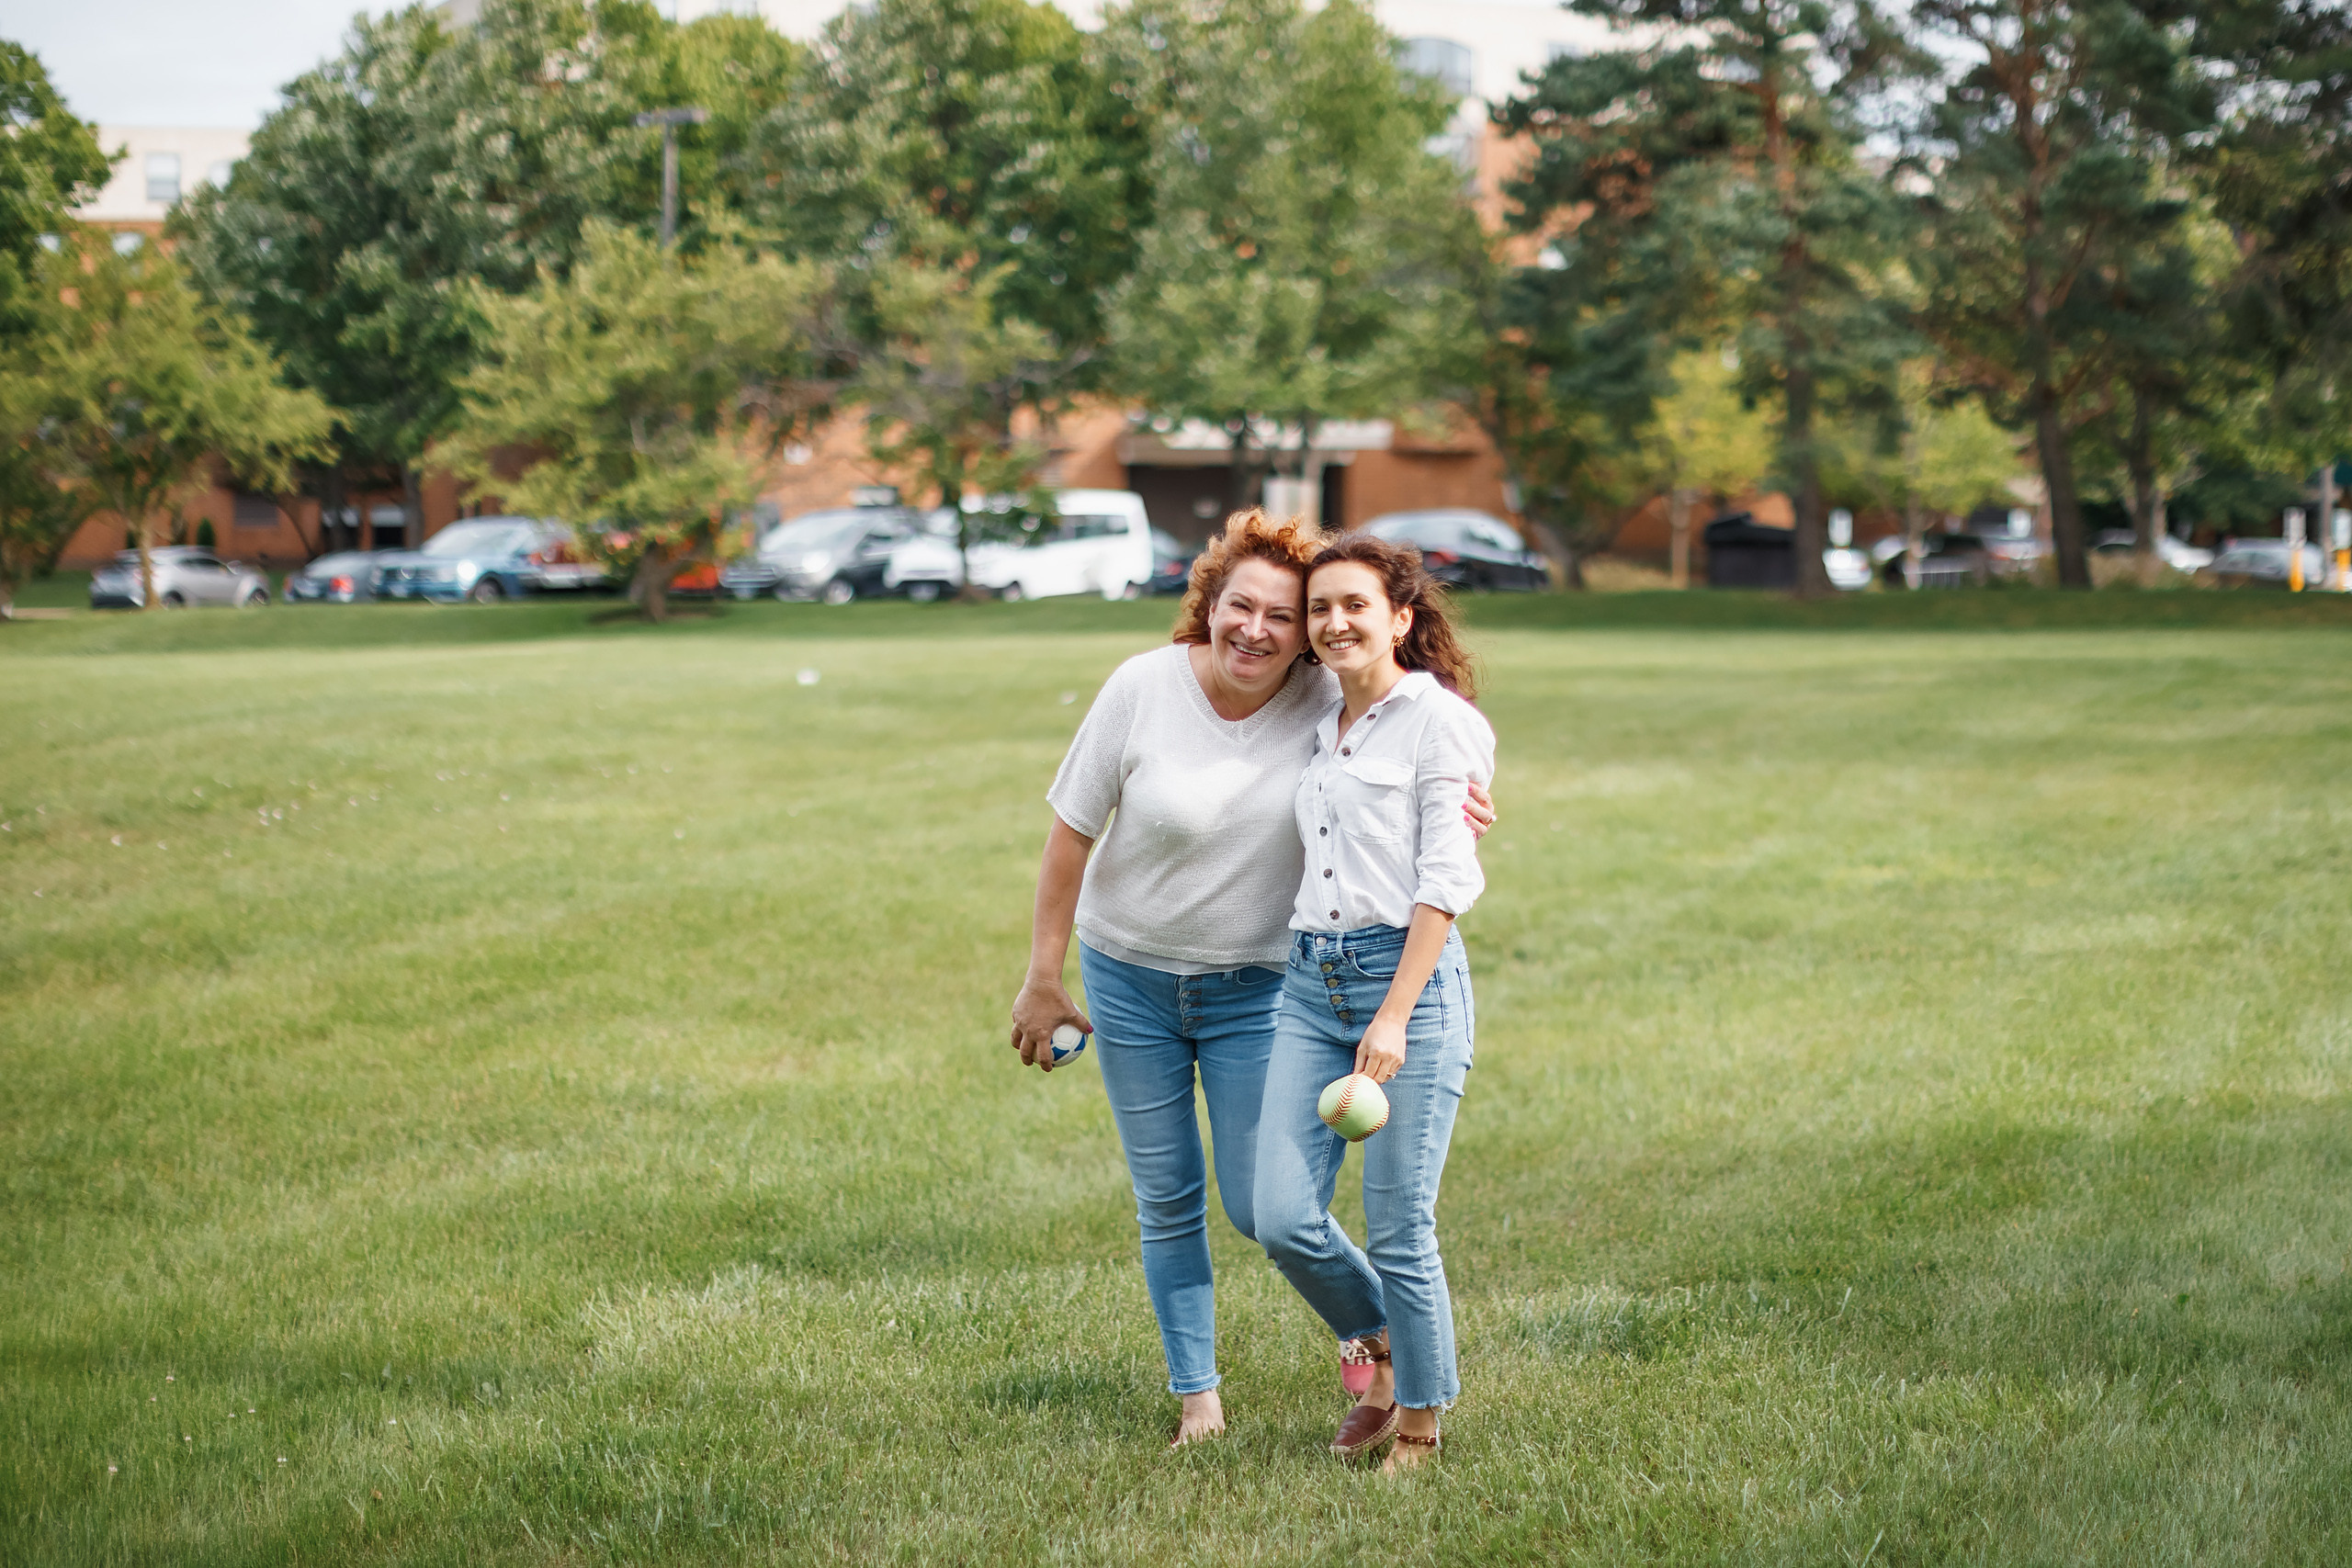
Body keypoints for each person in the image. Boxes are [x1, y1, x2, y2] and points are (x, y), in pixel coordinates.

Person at [1008, 510, 1493, 1448]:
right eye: (1242, 606)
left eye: (1288, 615)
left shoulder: (1327, 691)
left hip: (1262, 987)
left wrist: (1462, 793)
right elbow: (1070, 832)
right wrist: (1042, 975)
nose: (1260, 630)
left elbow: (1413, 740)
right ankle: (1198, 1401)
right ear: (1209, 604)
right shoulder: (1143, 687)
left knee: (1260, 1205)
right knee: (1166, 1200)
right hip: (1129, 974)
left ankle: (1385, 1349)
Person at [1251, 531, 1495, 1474]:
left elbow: (1444, 875)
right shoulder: (1317, 715)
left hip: (1411, 984)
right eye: (1320, 609)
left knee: (1399, 1222)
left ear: (1401, 616)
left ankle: (1422, 1425)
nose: (1333, 621)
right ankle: (1382, 1346)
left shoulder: (1440, 721)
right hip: (1308, 986)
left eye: (1354, 604)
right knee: (1277, 1214)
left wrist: (1392, 1015)